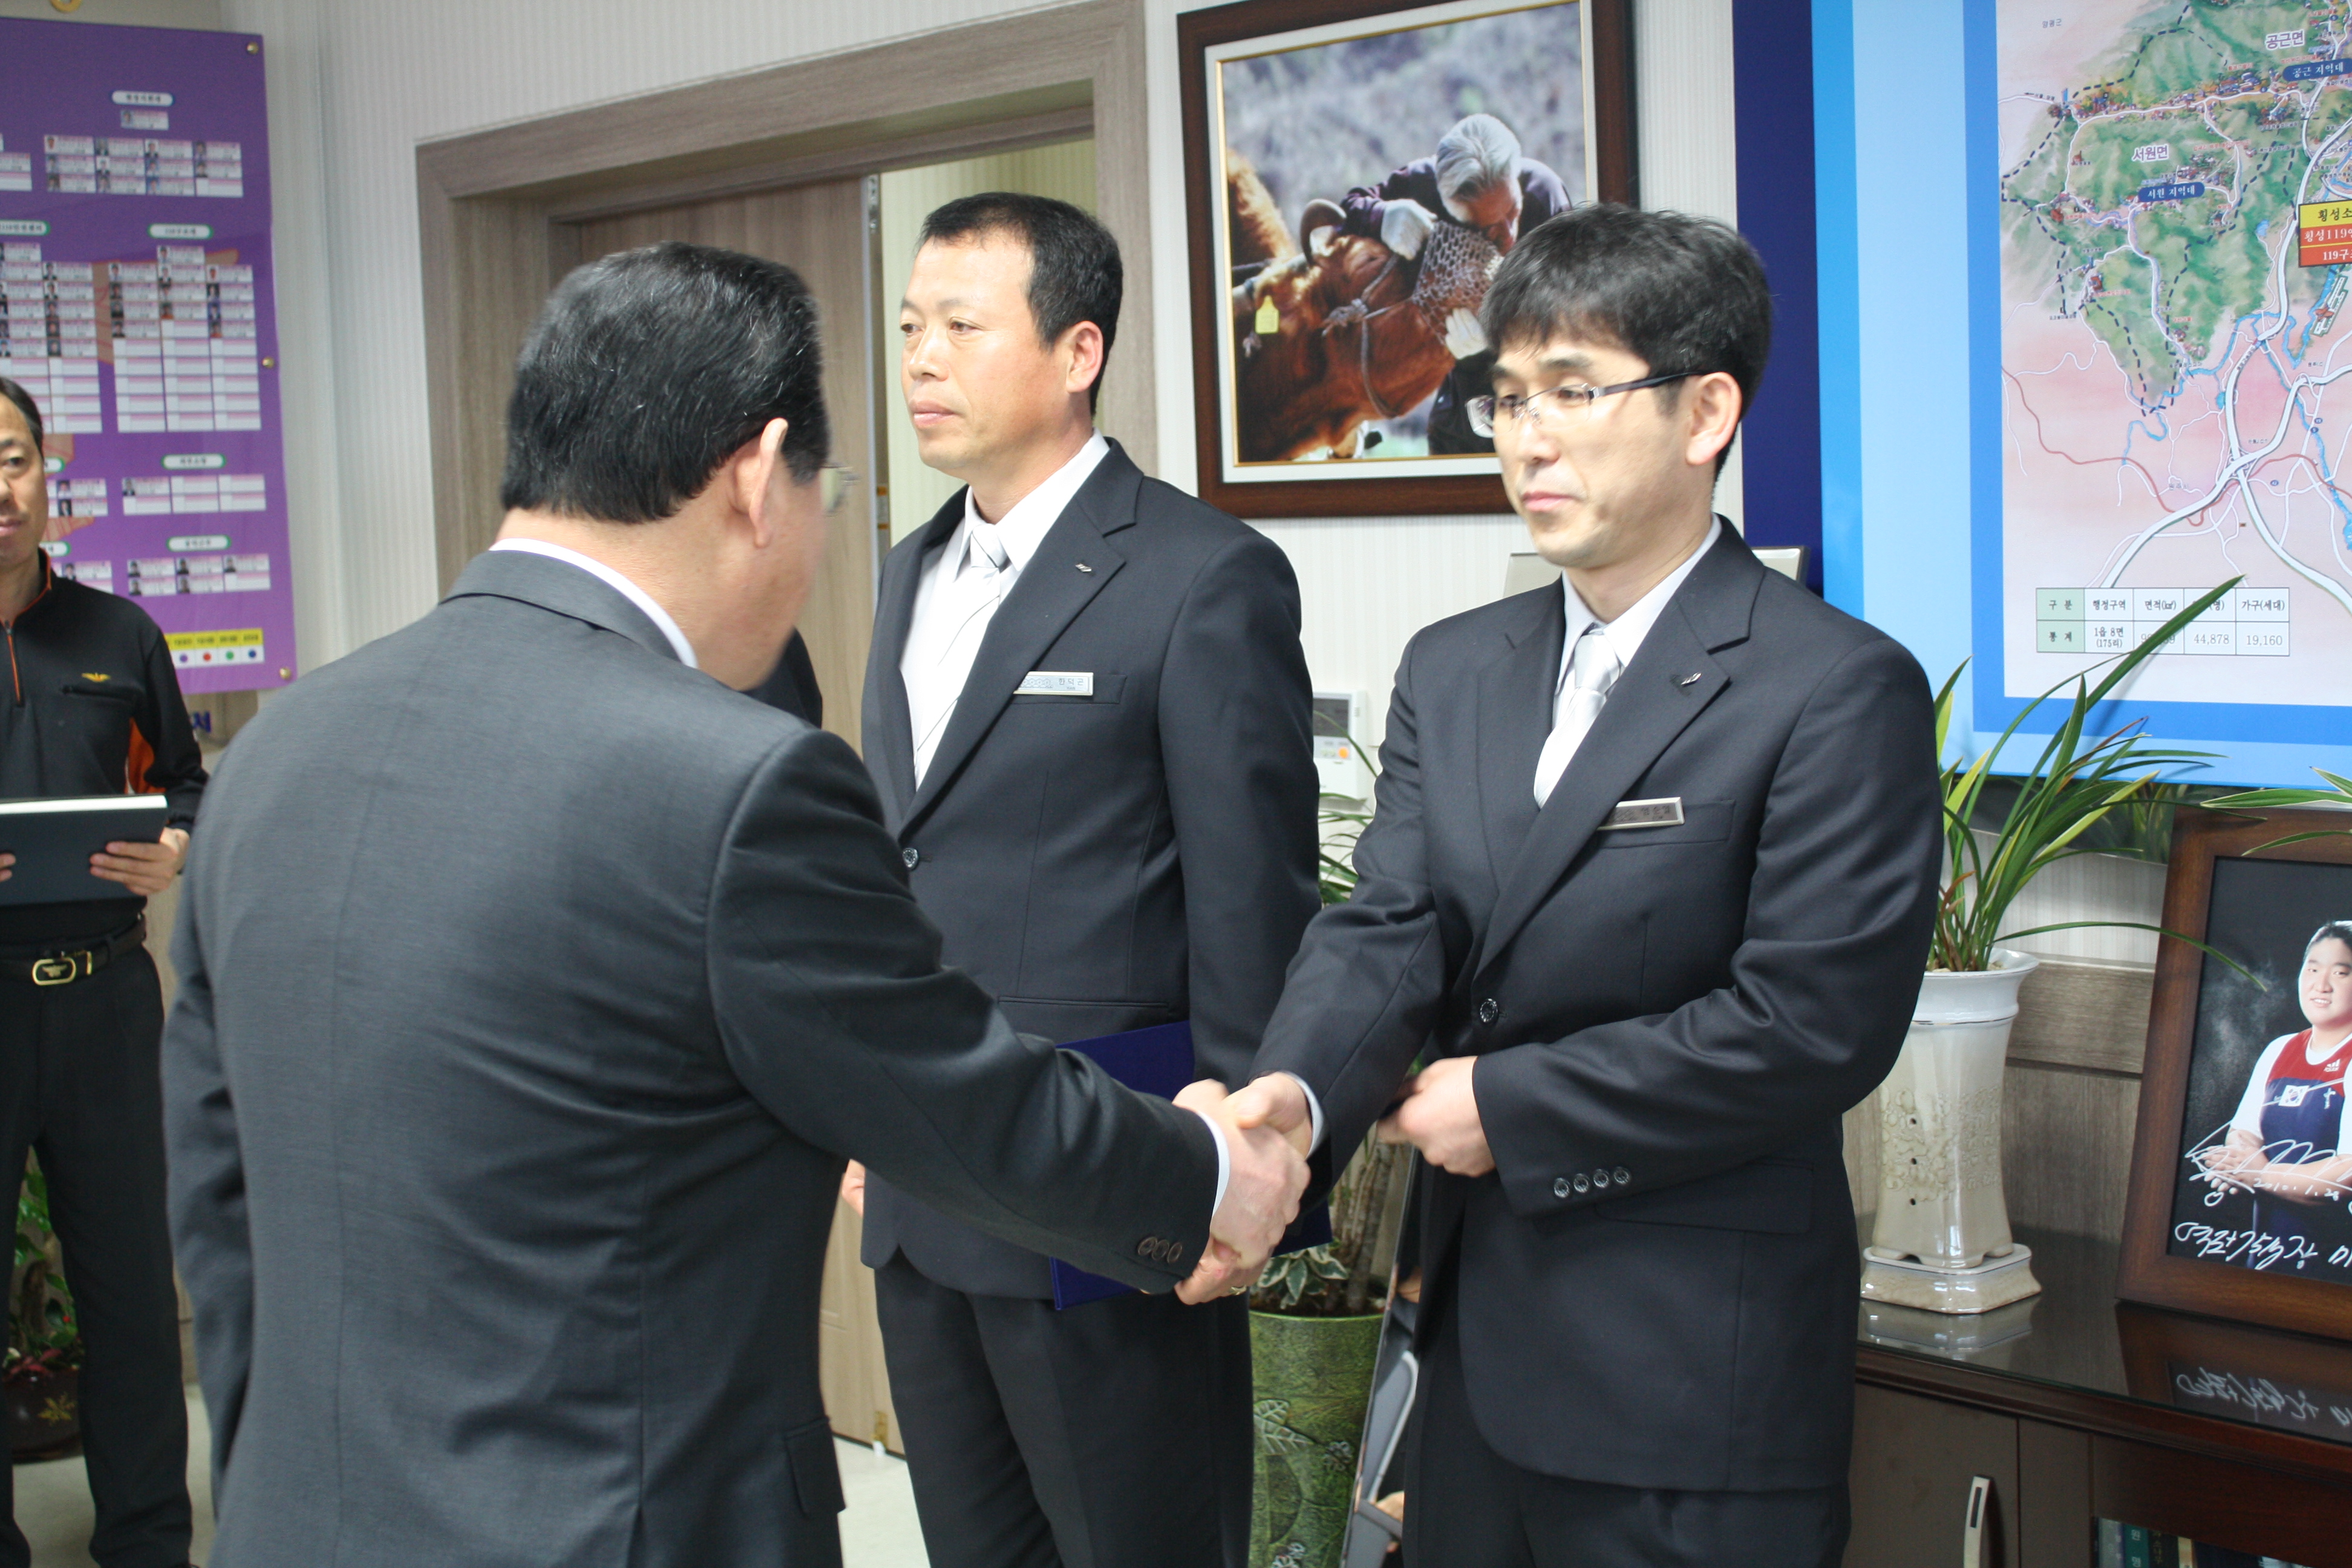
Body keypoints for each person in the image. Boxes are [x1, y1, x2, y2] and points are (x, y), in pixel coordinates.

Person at [160, 241, 1302, 1568]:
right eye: (823, 492)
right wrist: (1208, 1173)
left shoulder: (274, 756)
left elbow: (219, 1209)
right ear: (760, 477)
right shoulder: (731, 782)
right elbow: (949, 1086)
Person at [1226, 205, 1942, 1567]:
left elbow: (1810, 1025)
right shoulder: (1455, 664)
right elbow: (1393, 923)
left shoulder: (1834, 686)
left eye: (1573, 391)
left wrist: (1509, 1105)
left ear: (1705, 412)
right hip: (1473, 1359)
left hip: (1691, 1380)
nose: (1527, 439)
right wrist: (1293, 1099)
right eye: (1506, 398)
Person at [844, 192, 1318, 1568]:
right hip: (923, 1191)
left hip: (1108, 1194)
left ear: (1077, 351)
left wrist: (1230, 1175)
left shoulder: (1200, 575)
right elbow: (899, 865)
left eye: (961, 326)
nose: (921, 359)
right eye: (911, 327)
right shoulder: (908, 570)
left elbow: (1252, 908)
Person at [0, 377, 202, 1568]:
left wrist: (175, 844)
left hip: (105, 998)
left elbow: (185, 781)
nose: (0, 488)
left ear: (44, 472)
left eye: (13, 458)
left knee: (129, 1290)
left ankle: (147, 1540)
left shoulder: (119, 634)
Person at [1338, 113, 1573, 454]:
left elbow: (1571, 320)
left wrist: (1492, 346)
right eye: (1488, 230)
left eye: (1513, 212)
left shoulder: (1543, 192)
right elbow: (1347, 211)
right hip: (1458, 410)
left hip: (1538, 403)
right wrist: (1382, 216)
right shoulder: (1422, 185)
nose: (1509, 238)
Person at [2197, 921, 2352, 1264]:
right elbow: (2243, 1132)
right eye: (2312, 969)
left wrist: (2259, 1175)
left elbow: (2347, 1176)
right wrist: (2235, 1162)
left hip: (2337, 1266)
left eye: (2341, 973)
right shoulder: (2279, 1050)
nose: (2321, 985)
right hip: (2268, 1254)